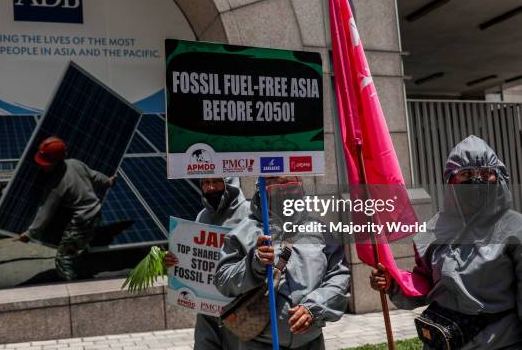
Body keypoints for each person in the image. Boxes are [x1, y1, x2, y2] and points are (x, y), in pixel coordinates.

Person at [370, 135, 522, 349]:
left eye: (486, 173)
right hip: (443, 342)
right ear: (452, 181)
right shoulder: (433, 230)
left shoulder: (515, 228)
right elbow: (424, 284)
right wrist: (393, 284)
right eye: (467, 174)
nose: (476, 180)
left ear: (499, 177)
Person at [215, 176, 350, 350]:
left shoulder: (321, 232)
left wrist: (315, 307)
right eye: (277, 182)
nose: (285, 189)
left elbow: (339, 277)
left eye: (291, 183)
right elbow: (223, 281)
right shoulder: (241, 233)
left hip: (310, 343)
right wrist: (254, 263)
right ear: (261, 188)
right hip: (258, 344)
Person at [164, 177, 252, 350]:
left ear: (230, 182)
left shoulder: (249, 213)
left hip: (241, 308)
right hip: (207, 311)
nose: (210, 187)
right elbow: (194, 255)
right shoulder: (202, 215)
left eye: (217, 181)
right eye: (205, 182)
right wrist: (175, 260)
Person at [18, 136, 116, 281]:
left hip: (83, 222)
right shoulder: (75, 163)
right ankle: (78, 263)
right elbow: (94, 175)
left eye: (45, 163)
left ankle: (74, 286)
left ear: (55, 162)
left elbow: (45, 211)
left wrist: (29, 233)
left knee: (63, 259)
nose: (42, 166)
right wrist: (108, 181)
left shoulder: (56, 184)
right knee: (74, 247)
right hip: (96, 214)